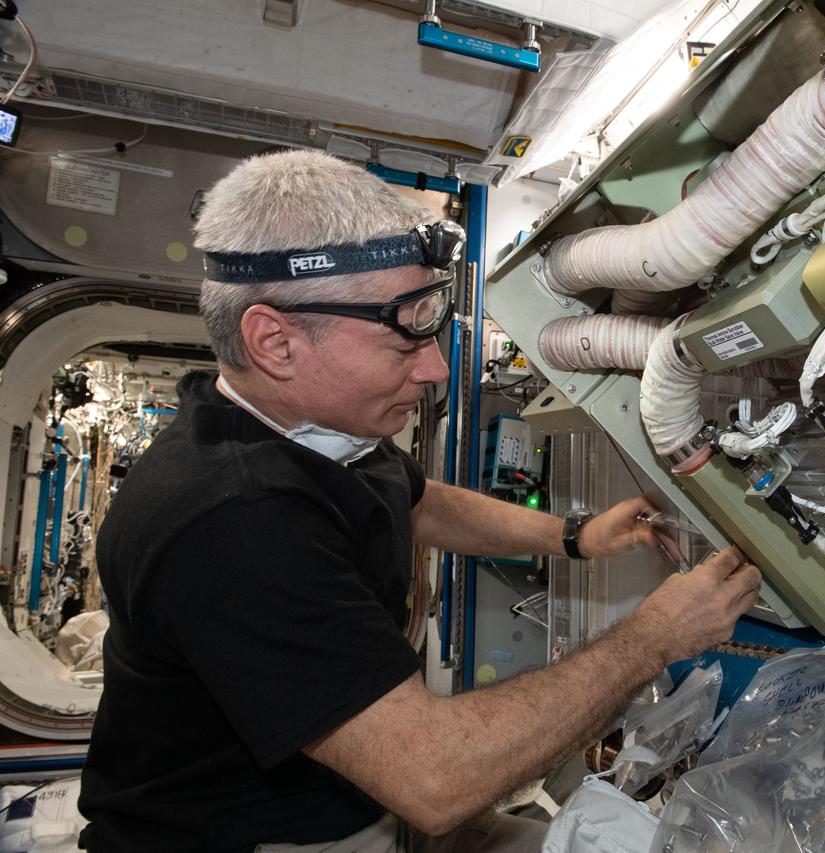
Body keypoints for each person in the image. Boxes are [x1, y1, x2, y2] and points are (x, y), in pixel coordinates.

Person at [76, 149, 761, 852]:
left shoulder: (317, 432)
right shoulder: (231, 520)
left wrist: (574, 534)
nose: (434, 368)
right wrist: (654, 638)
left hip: (357, 799)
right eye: (403, 338)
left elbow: (418, 501)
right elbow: (434, 779)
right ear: (275, 341)